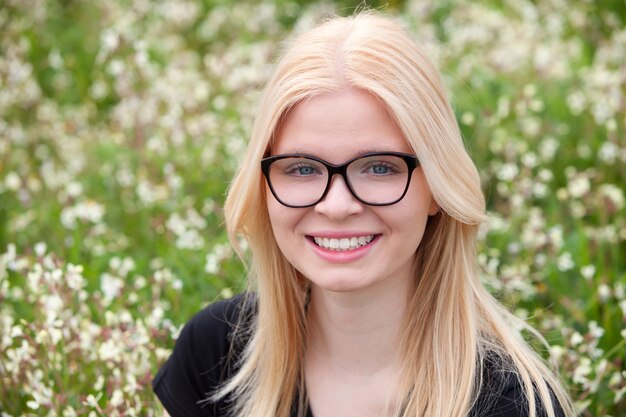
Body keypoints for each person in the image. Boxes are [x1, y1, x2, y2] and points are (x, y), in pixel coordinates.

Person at [152, 11, 574, 417]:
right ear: (264, 188)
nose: (336, 207)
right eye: (302, 168)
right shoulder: (214, 355)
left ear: (437, 189)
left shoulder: (515, 405)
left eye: (379, 167)